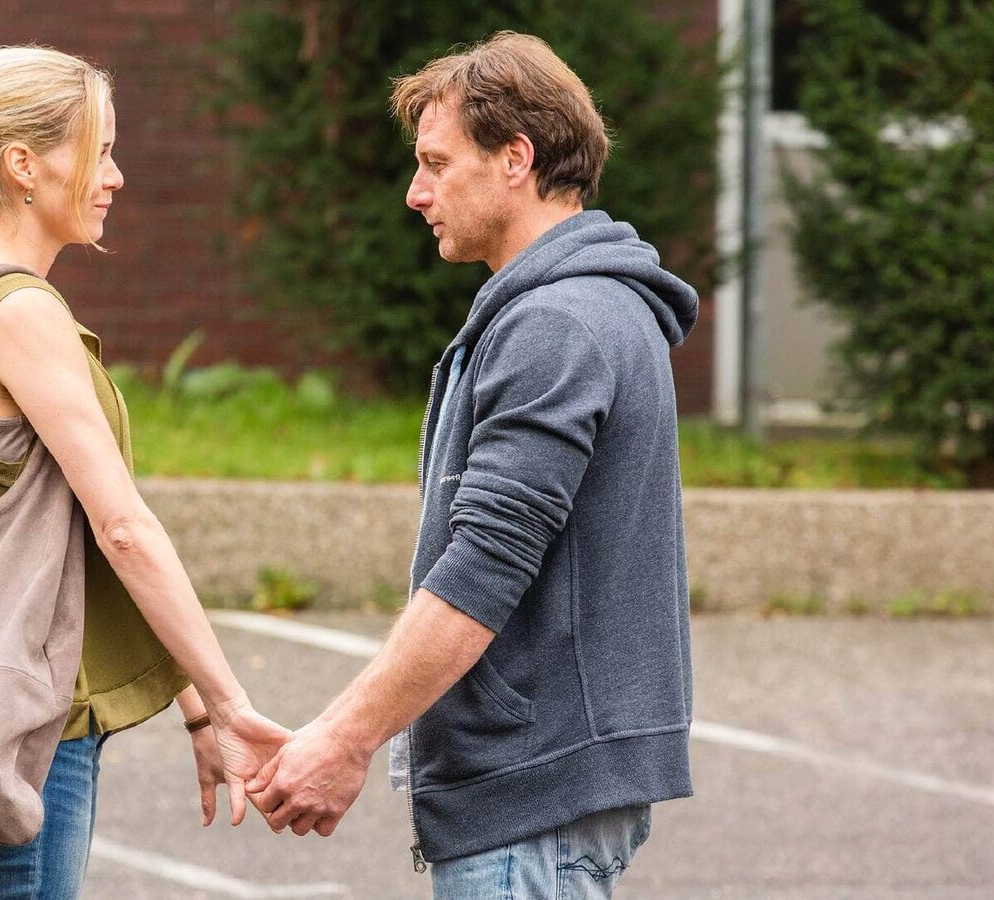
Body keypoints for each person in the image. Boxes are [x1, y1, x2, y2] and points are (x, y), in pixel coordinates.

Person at [246, 32, 699, 898]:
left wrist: (343, 739)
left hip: (534, 794)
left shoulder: (557, 325)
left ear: (515, 159)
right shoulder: (581, 308)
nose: (416, 192)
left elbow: (484, 567)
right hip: (547, 789)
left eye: (436, 163)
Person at [0, 45, 289, 899]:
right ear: (24, 166)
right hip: (37, 720)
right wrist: (232, 703)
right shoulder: (20, 313)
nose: (115, 177)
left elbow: (73, 523)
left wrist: (195, 708)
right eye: (100, 152)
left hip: (30, 712)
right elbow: (121, 527)